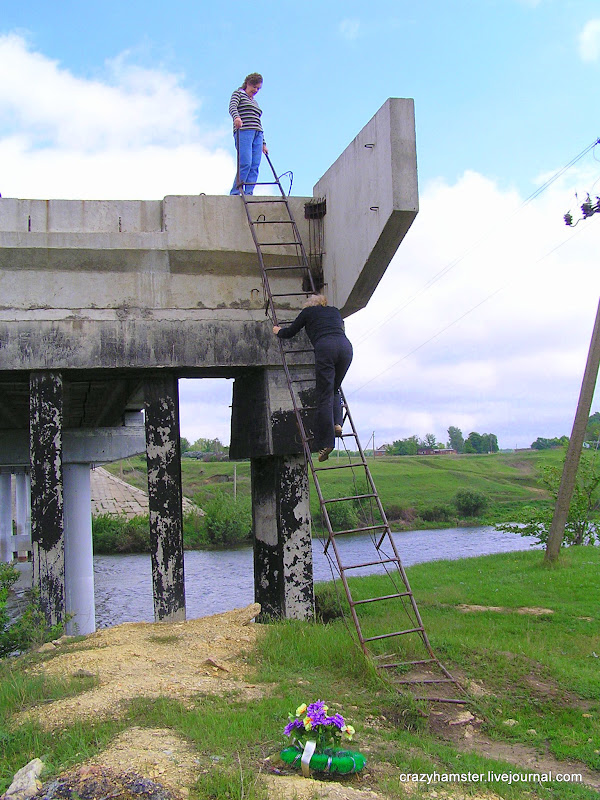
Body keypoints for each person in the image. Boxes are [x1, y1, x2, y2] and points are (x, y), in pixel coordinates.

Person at [273, 295, 353, 462]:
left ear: (311, 304)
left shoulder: (308, 312)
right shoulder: (335, 312)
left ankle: (327, 442)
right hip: (346, 348)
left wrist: (278, 331)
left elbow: (290, 332)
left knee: (324, 396)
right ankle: (337, 423)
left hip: (326, 348)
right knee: (334, 388)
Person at [229, 73, 268, 195]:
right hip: (244, 131)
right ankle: (236, 192)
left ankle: (249, 192)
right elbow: (232, 107)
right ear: (248, 84)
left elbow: (258, 121)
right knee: (245, 162)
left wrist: (263, 143)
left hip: (257, 134)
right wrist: (237, 118)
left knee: (255, 165)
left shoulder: (255, 102)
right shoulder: (238, 94)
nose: (256, 90)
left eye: (258, 88)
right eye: (254, 87)